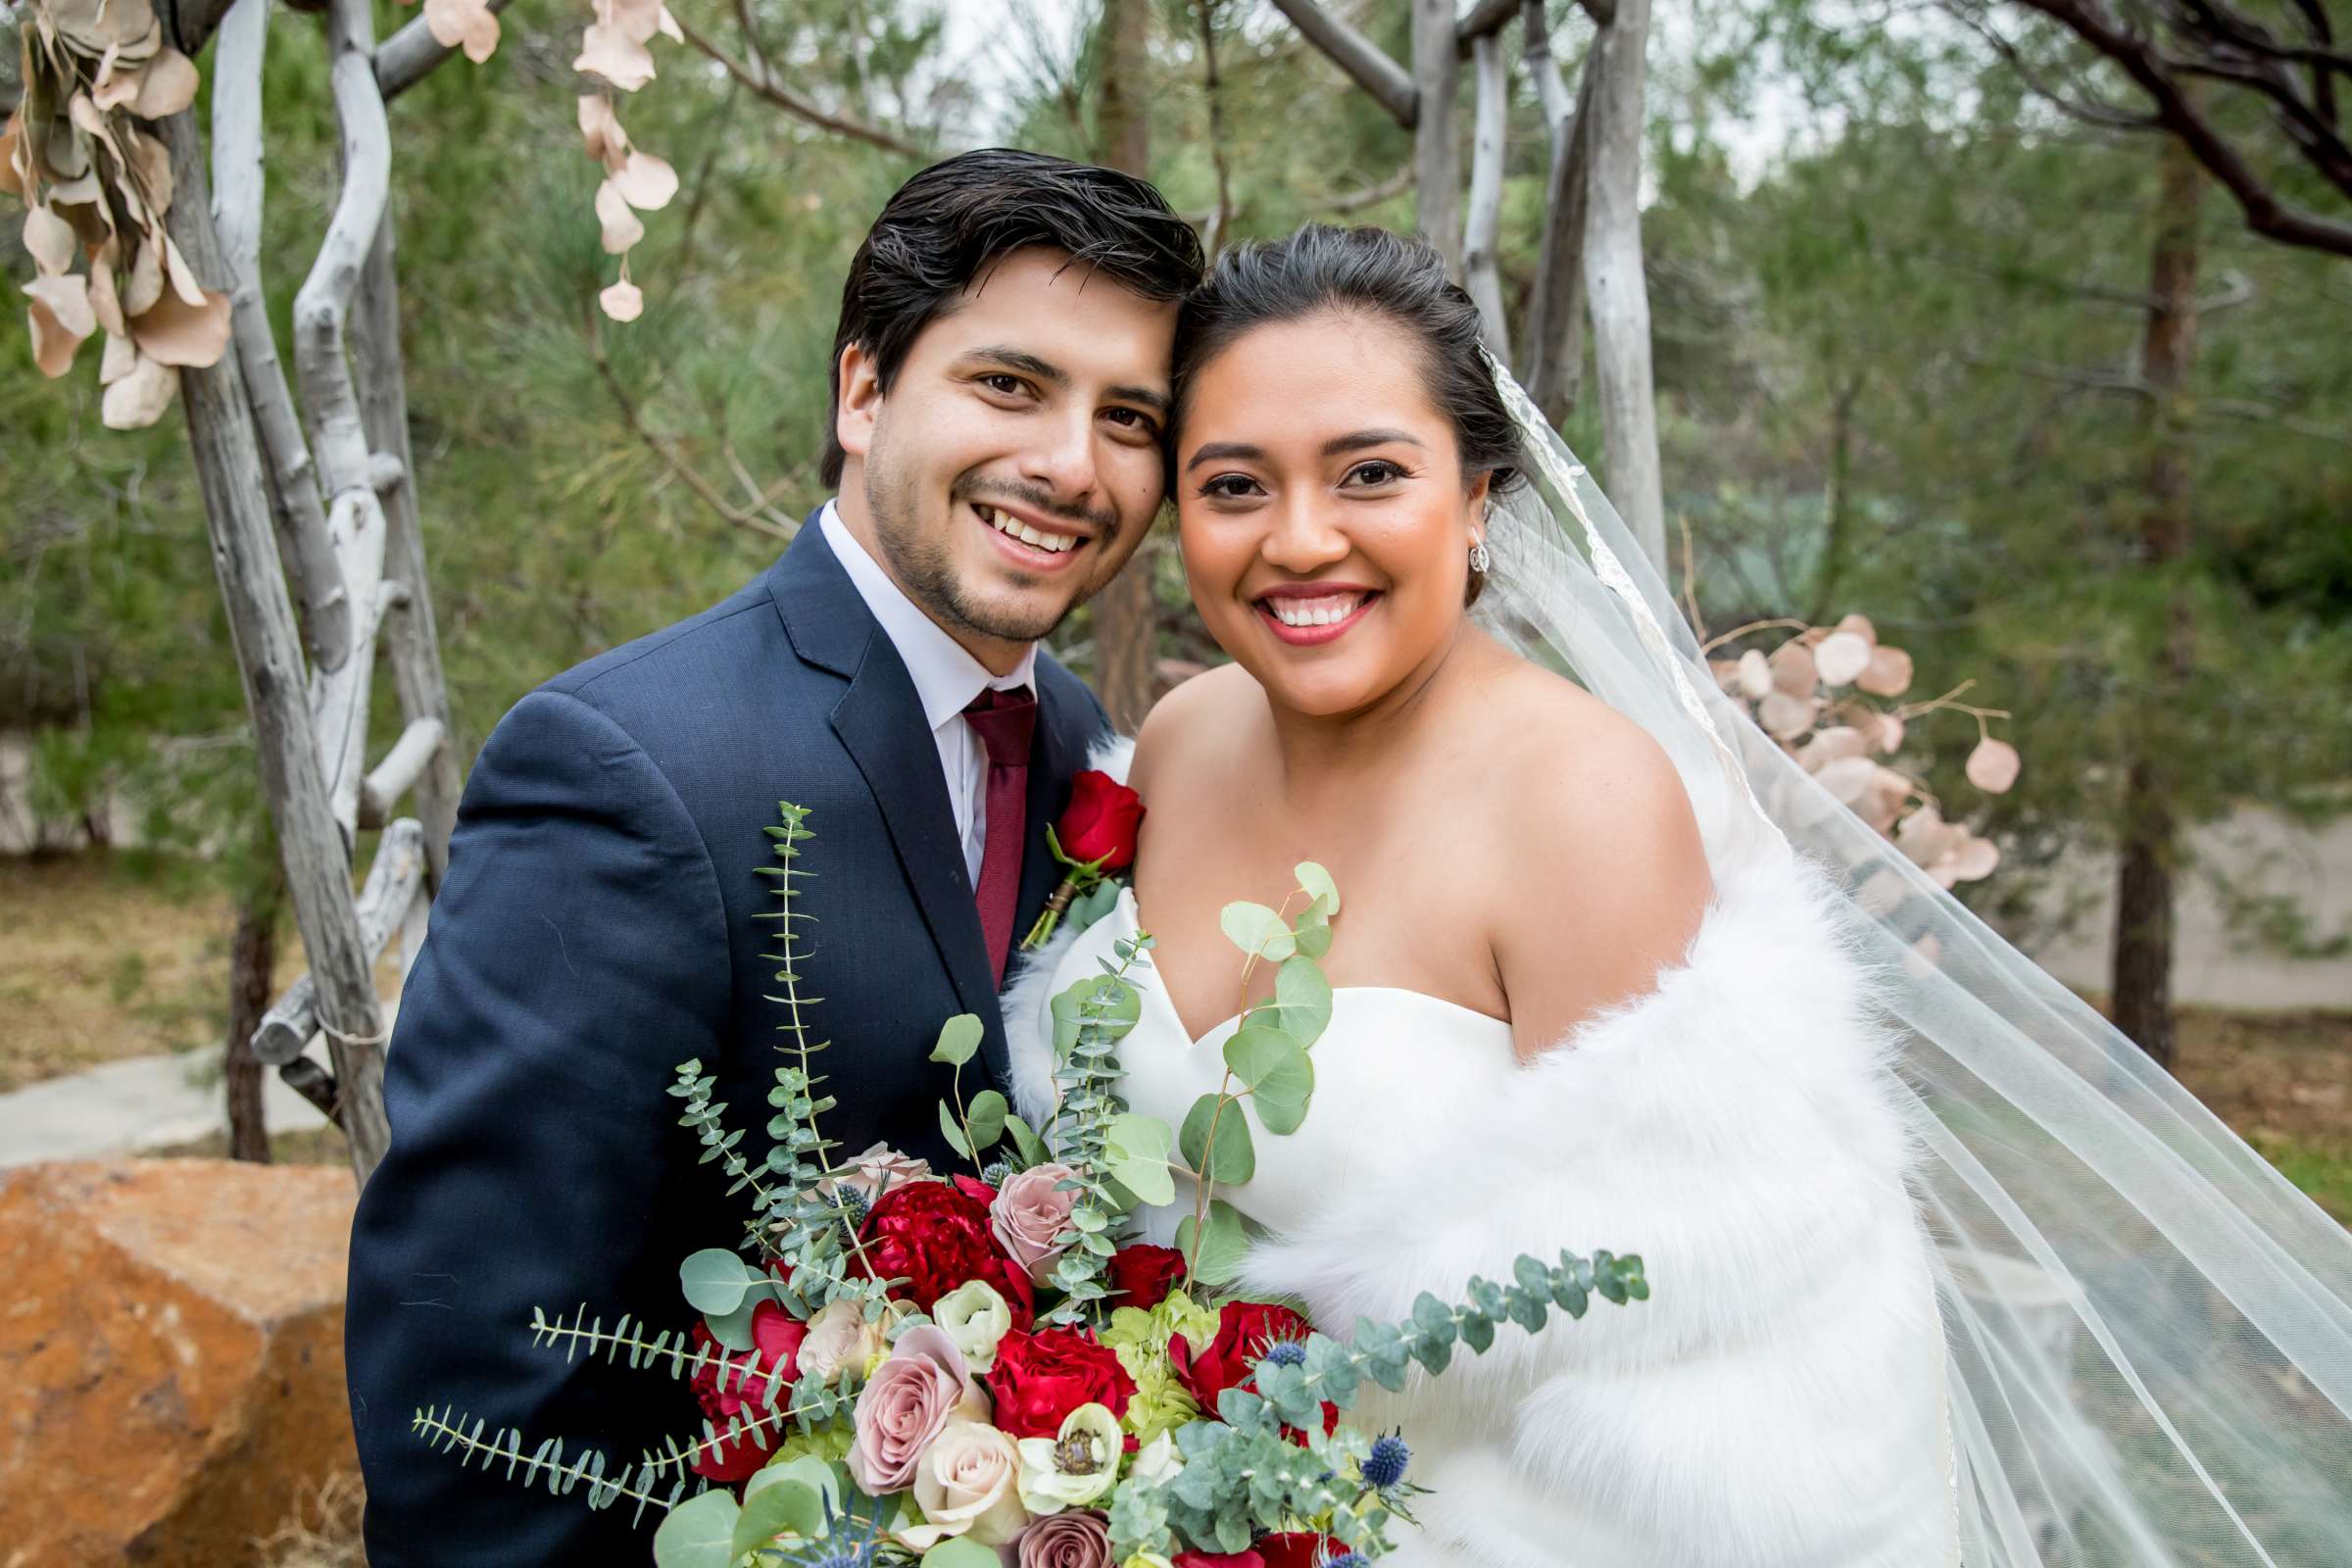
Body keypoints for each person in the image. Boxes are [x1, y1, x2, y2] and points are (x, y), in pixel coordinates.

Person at [1010, 224, 2352, 1564]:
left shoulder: (1579, 804)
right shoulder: (1183, 737)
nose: (1300, 541)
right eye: (1234, 484)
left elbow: (1698, 1377)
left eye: (1371, 472)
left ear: (1478, 498)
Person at [346, 148, 1201, 1564]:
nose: (1070, 463)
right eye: (1010, 385)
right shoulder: (622, 766)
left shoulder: (1081, 744)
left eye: (1128, 418)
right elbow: (472, 1367)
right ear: (863, 393)